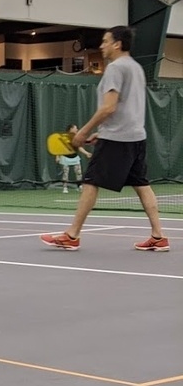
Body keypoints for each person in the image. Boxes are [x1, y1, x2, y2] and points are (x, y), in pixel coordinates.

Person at [40, 27, 169, 252]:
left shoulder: (116, 68)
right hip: (136, 136)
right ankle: (158, 236)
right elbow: (127, 105)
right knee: (141, 184)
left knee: (90, 182)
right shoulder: (136, 68)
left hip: (118, 138)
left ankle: (72, 235)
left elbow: (109, 107)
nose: (101, 46)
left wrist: (83, 132)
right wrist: (102, 131)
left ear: (117, 44)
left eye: (105, 41)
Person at [56, 124, 91, 192]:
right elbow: (59, 148)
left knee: (78, 173)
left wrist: (87, 153)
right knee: (65, 173)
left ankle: (79, 186)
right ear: (71, 129)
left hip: (75, 158)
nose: (77, 129)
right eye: (75, 128)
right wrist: (57, 156)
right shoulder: (64, 137)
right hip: (65, 158)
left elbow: (79, 147)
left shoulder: (77, 138)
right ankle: (65, 187)